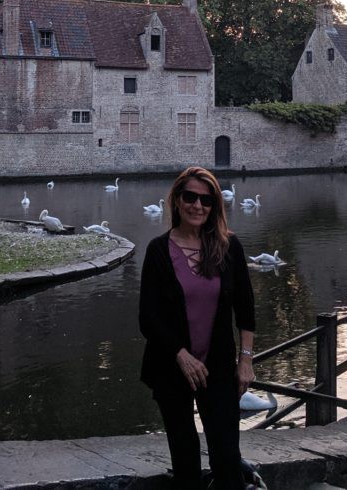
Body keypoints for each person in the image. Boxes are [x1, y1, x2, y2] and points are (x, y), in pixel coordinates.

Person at [139, 166, 257, 489]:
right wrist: (180, 355)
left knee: (227, 458)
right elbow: (148, 318)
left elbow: (245, 309)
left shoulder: (228, 247)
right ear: (177, 201)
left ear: (214, 206)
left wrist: (245, 360)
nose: (197, 206)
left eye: (206, 200)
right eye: (190, 197)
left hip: (217, 366)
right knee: (186, 460)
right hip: (171, 366)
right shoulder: (158, 251)